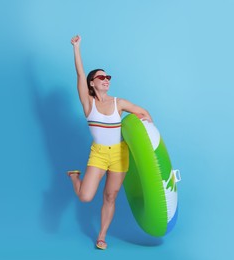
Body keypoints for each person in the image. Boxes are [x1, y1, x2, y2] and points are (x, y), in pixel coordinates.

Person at [68, 35, 152, 250]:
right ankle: (75, 177)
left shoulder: (119, 103)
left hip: (119, 154)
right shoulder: (88, 104)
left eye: (108, 76)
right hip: (98, 154)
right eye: (101, 76)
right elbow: (79, 73)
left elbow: (143, 112)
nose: (106, 79)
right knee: (85, 197)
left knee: (111, 195)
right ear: (92, 83)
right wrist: (77, 48)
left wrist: (147, 126)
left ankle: (102, 236)